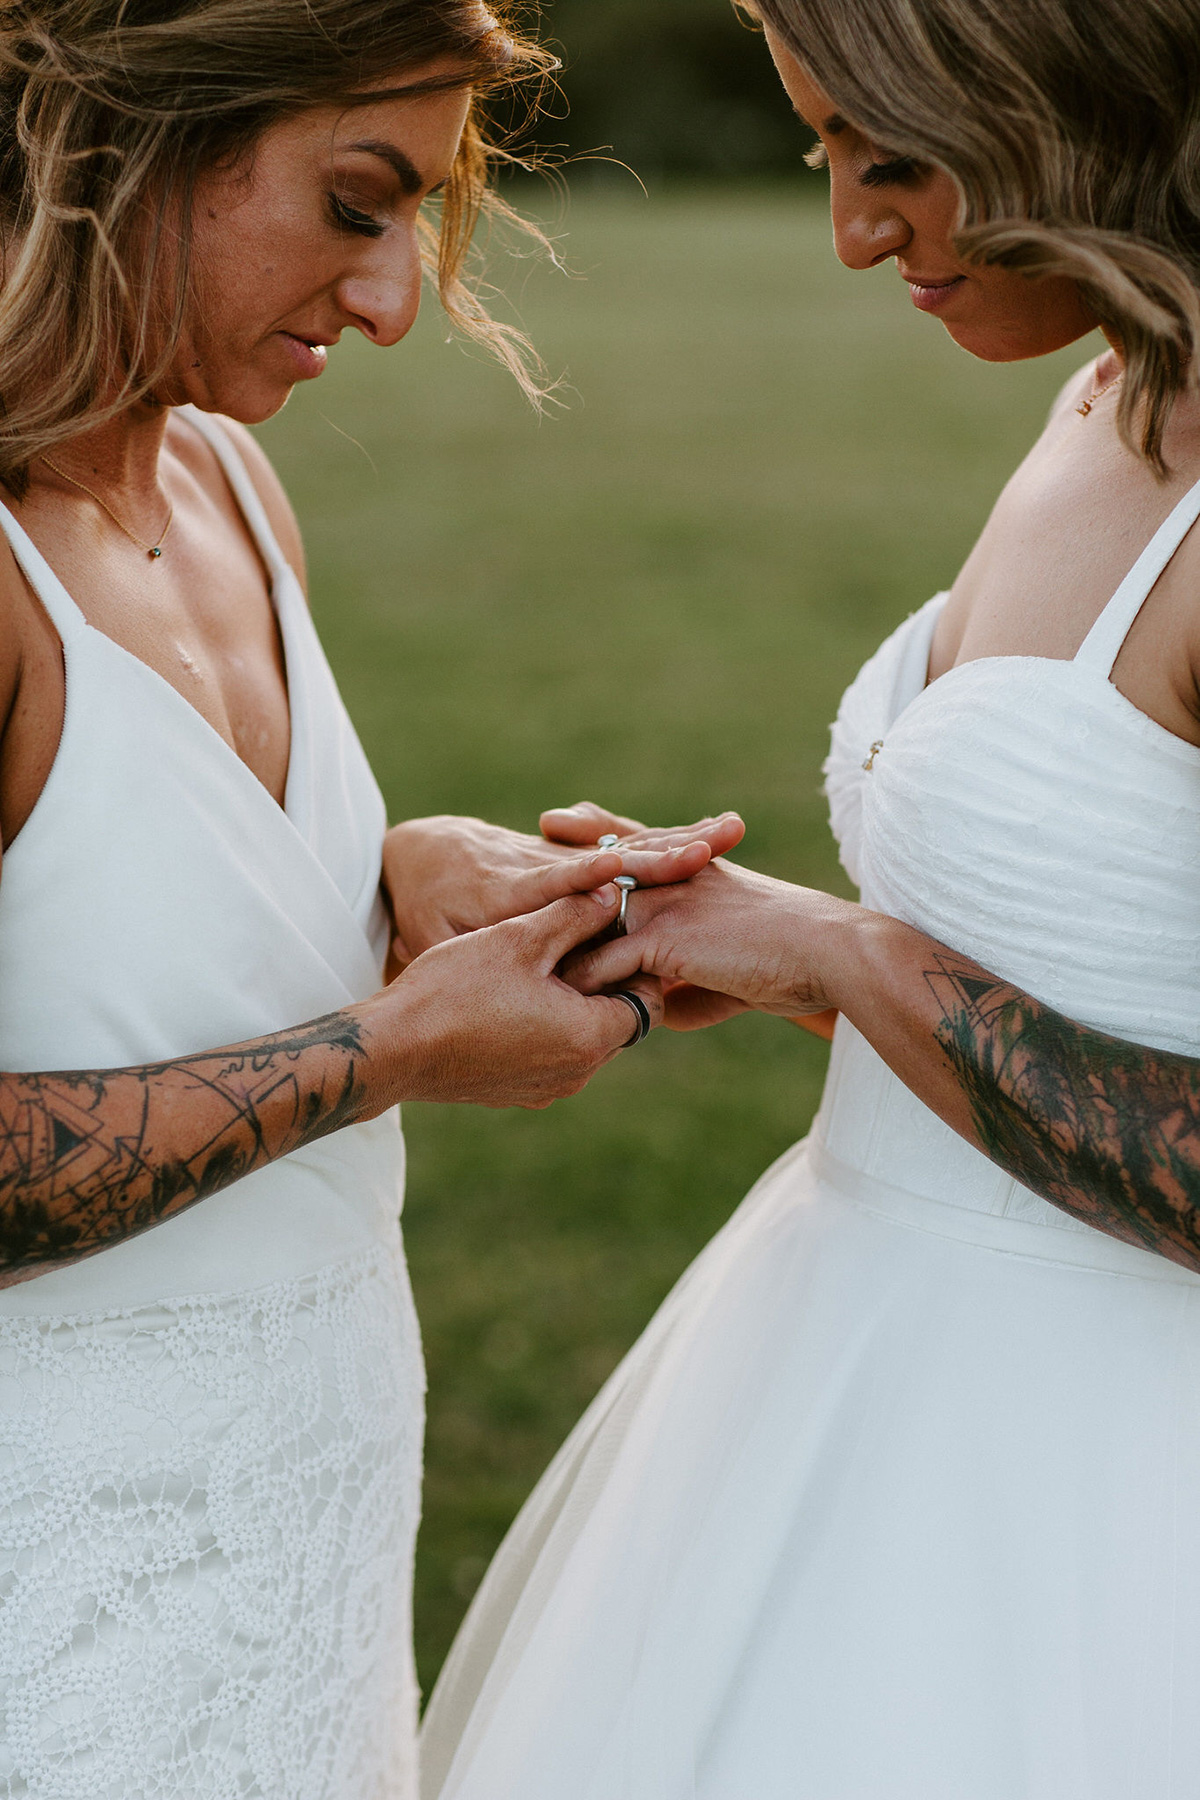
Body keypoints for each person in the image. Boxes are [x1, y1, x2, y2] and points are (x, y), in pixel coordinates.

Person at [419, 0, 1200, 1794]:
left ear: (1087, 100)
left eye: (898, 158)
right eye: (821, 152)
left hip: (1100, 1474)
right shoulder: (1108, 385)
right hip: (854, 1344)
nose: (853, 229)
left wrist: (850, 955)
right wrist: (740, 938)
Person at [0, 3, 747, 1794]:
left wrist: (389, 875)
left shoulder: (232, 483)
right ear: (134, 141)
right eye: (357, 202)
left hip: (310, 1538)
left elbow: (113, 891)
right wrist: (392, 1047)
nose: (401, 299)